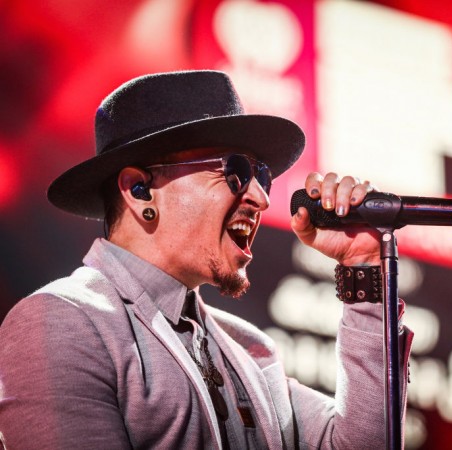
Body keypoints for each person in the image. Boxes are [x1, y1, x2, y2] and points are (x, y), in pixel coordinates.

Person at [0, 70, 413, 449]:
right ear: (139, 189)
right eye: (234, 171)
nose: (261, 197)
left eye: (261, 176)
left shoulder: (251, 350)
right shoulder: (64, 321)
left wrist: (365, 270)